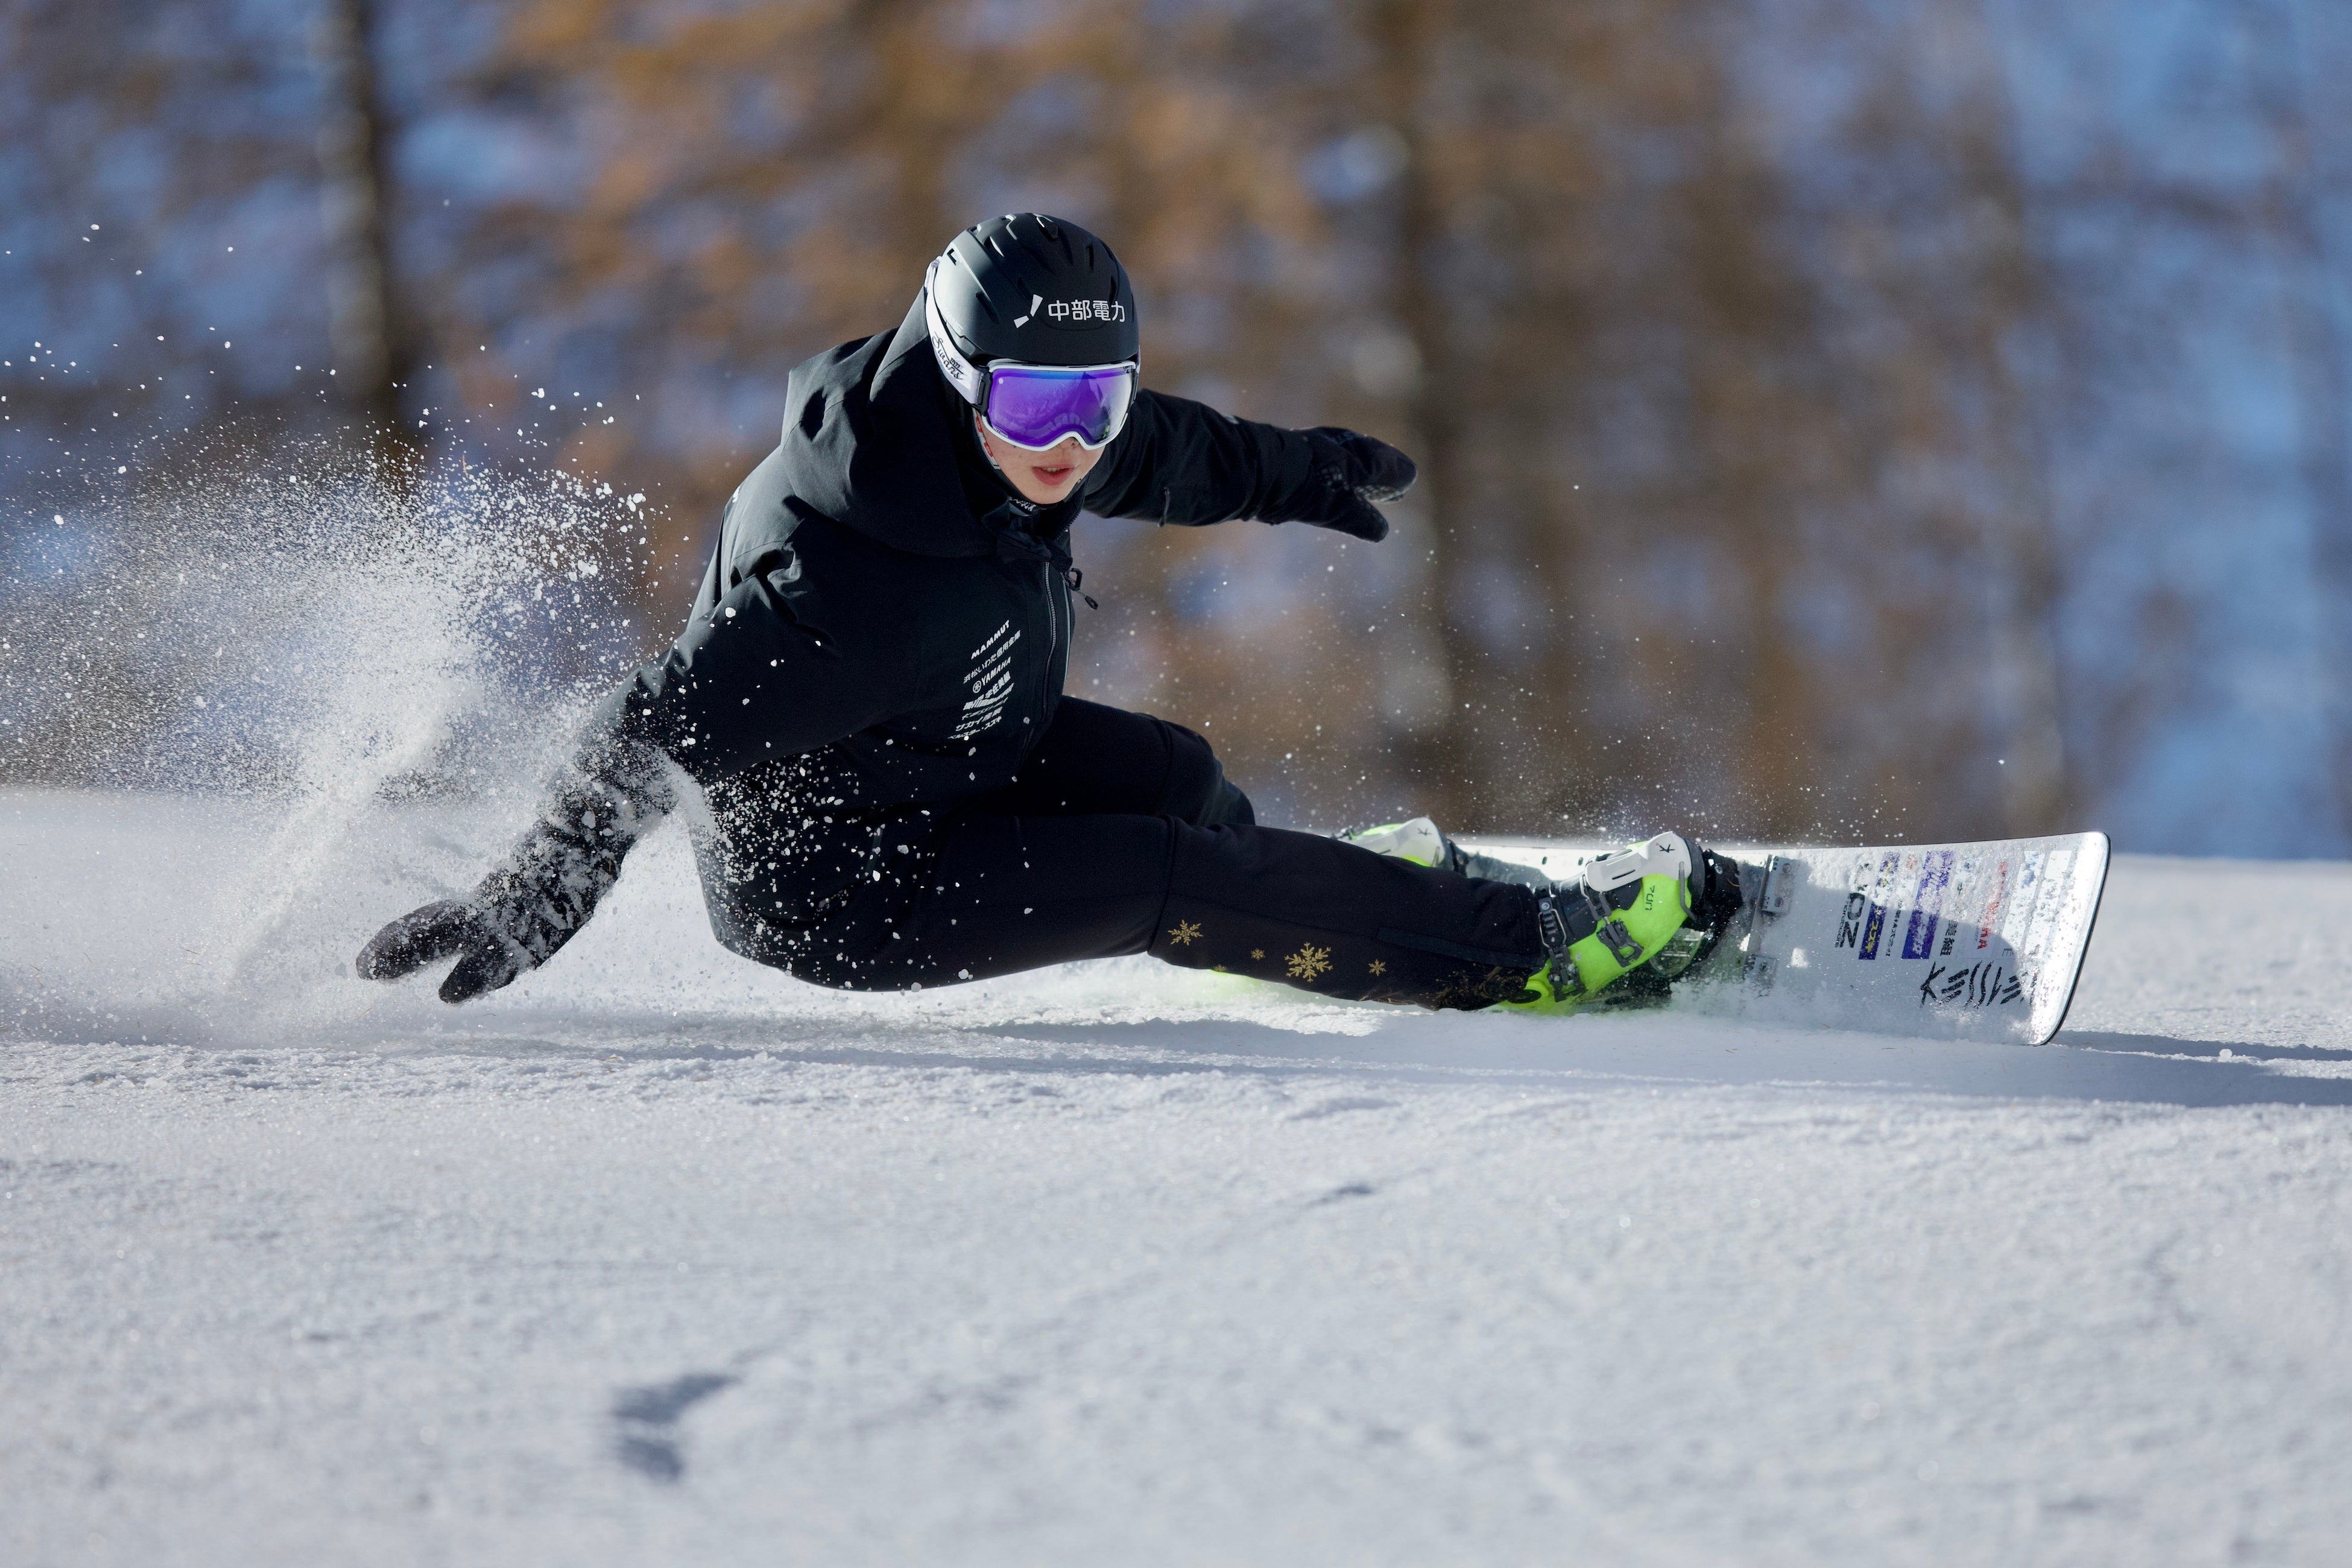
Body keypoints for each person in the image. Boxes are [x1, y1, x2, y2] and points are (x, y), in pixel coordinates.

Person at [357, 213, 1742, 1014]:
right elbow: (643, 731)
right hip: (841, 889)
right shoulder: (844, 583)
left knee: (1184, 777)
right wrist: (536, 890)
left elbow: (1167, 452)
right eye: (1034, 402)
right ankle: (1517, 961)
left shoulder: (1022, 444)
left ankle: (1309, 923)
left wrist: (1292, 471)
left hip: (944, 758)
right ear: (960, 377)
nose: (1069, 444)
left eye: (1098, 398)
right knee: (1161, 871)